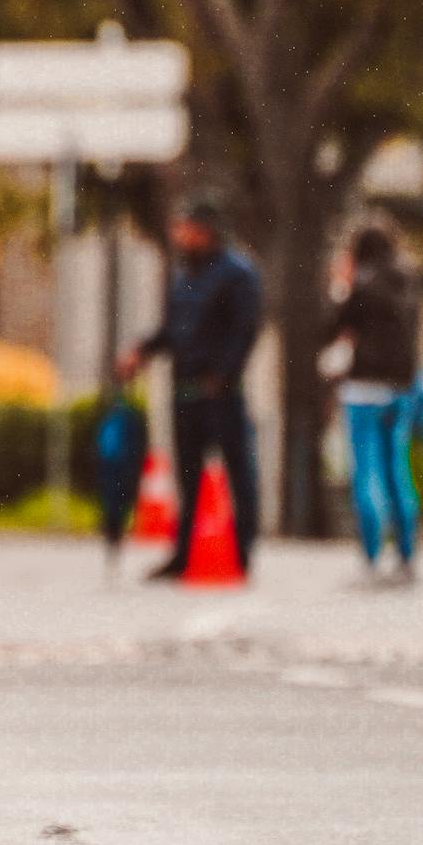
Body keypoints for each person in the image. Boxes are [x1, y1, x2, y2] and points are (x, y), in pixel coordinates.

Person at [117, 194, 263, 580]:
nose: (178, 235)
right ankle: (183, 554)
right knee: (187, 474)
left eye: (185, 228)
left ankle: (242, 553)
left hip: (221, 392)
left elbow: (244, 331)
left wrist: (224, 374)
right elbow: (174, 330)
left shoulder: (237, 274)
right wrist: (143, 351)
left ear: (205, 232)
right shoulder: (186, 275)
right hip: (185, 389)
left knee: (237, 473)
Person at [323, 220, 420, 583]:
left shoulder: (361, 285)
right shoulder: (408, 280)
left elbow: (334, 326)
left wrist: (340, 285)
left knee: (367, 471)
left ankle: (371, 554)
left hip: (364, 387)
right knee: (397, 469)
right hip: (401, 386)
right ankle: (408, 553)